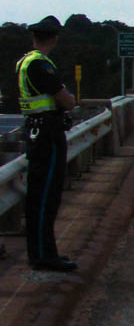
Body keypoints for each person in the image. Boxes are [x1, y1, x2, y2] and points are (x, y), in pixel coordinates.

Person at [16, 15, 78, 271]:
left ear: (34, 36)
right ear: (53, 38)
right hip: (47, 134)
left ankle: (46, 252)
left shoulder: (24, 61)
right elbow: (66, 100)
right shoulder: (41, 65)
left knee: (40, 196)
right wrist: (70, 99)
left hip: (36, 130)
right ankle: (43, 256)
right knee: (45, 198)